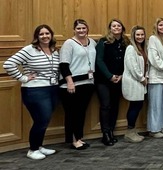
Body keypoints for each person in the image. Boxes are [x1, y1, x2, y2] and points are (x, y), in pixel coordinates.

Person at [3, 25, 60, 159]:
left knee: (44, 120)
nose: (45, 36)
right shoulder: (29, 50)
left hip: (52, 88)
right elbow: (8, 64)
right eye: (41, 34)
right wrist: (23, 77)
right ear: (37, 36)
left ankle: (39, 146)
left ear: (51, 35)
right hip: (35, 90)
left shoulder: (54, 50)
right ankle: (32, 150)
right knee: (42, 119)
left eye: (47, 33)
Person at [59, 19, 96, 150]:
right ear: (74, 30)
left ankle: (79, 137)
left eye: (83, 28)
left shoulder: (92, 43)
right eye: (78, 28)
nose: (81, 31)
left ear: (87, 29)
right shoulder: (69, 43)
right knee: (72, 113)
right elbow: (63, 65)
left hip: (88, 83)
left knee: (81, 112)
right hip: (72, 84)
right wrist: (70, 82)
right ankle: (74, 140)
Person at [95, 18, 130, 146]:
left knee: (115, 106)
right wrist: (110, 76)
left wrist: (121, 75)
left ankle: (111, 131)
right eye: (113, 26)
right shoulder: (103, 42)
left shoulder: (126, 42)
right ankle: (105, 134)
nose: (116, 28)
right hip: (104, 80)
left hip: (119, 79)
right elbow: (99, 61)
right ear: (110, 28)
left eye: (118, 26)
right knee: (106, 105)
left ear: (122, 28)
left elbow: (128, 61)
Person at [122, 26, 148, 143]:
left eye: (142, 35)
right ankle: (129, 132)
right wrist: (142, 78)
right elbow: (133, 67)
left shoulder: (143, 48)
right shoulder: (131, 49)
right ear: (133, 36)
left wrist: (145, 76)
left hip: (141, 81)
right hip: (134, 82)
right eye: (138, 35)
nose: (140, 37)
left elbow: (146, 64)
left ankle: (133, 130)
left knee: (138, 106)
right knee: (134, 106)